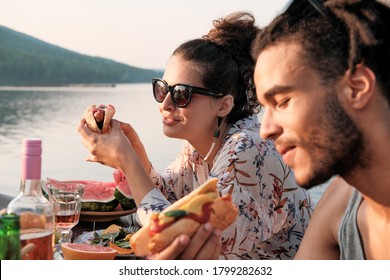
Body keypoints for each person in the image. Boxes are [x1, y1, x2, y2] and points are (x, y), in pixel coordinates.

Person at [78, 11, 312, 259]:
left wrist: (128, 161)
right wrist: (138, 156)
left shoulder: (251, 150)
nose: (165, 103)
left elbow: (176, 241)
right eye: (161, 89)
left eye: (181, 94)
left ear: (223, 105)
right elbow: (170, 204)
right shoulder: (201, 146)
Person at [250, 0, 390, 259]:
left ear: (357, 88)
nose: (265, 130)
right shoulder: (341, 200)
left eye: (282, 102)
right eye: (264, 107)